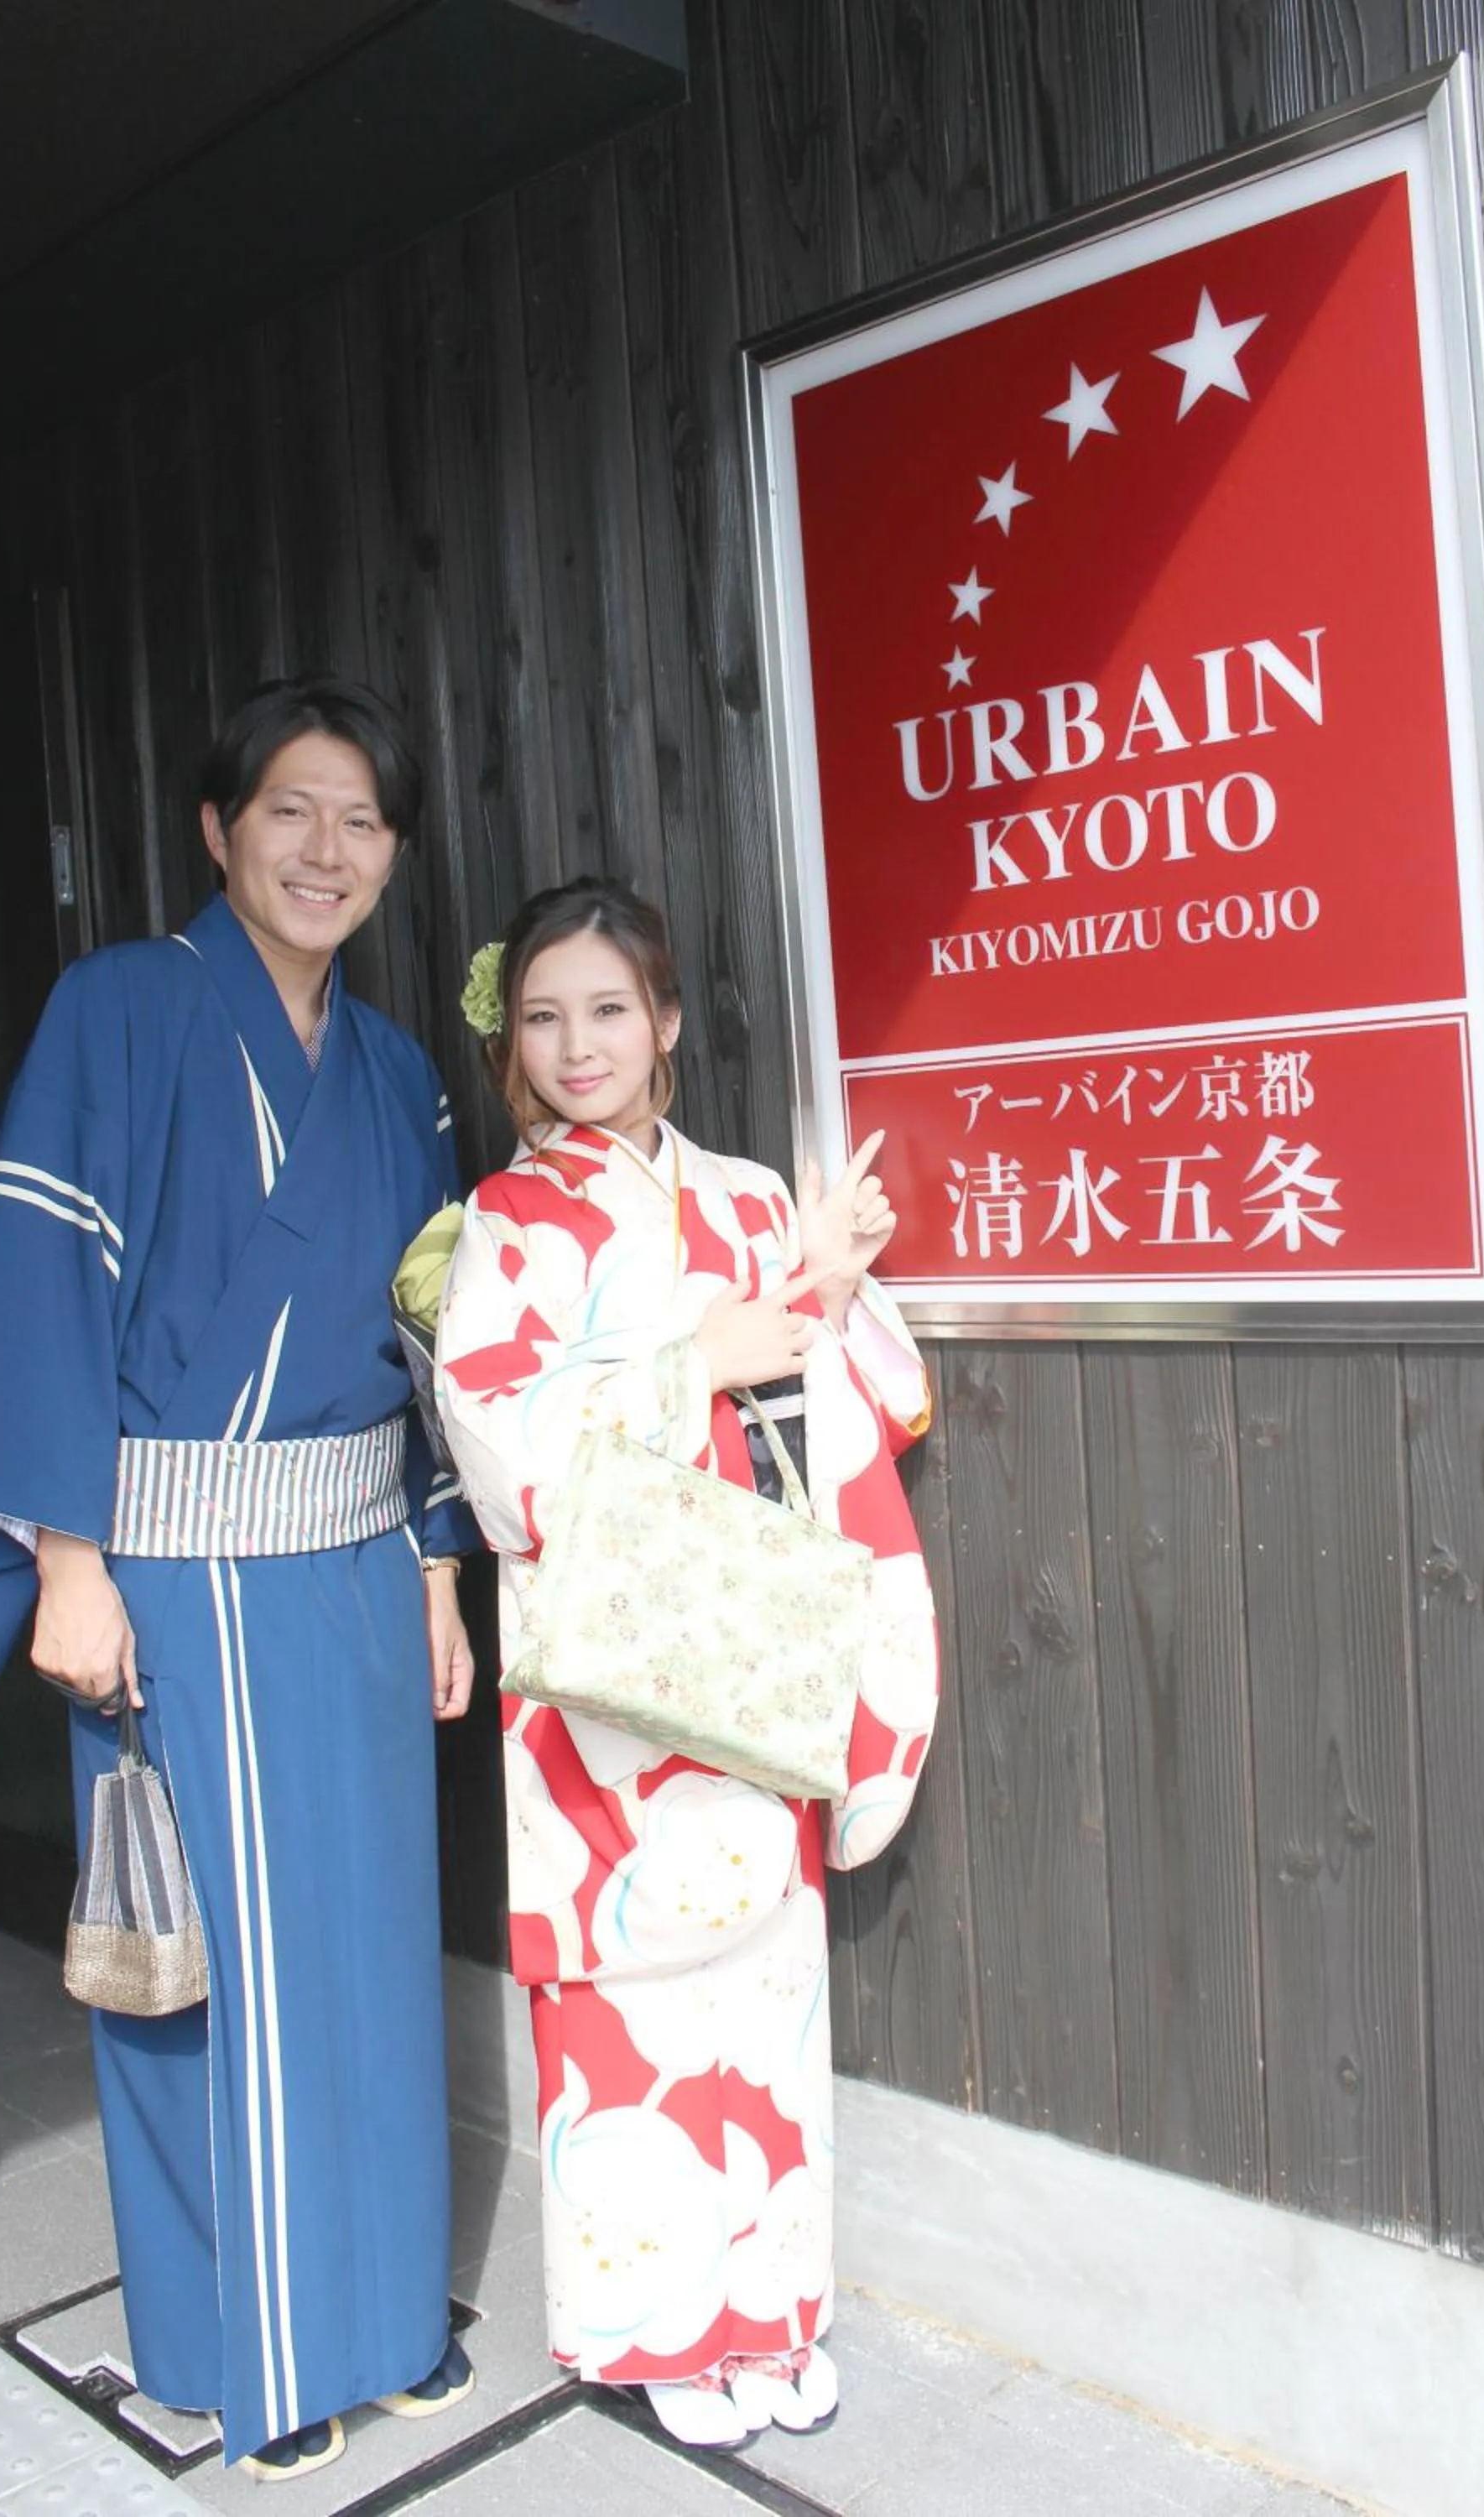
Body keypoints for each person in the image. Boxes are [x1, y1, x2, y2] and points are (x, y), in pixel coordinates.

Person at [0, 676, 482, 2478]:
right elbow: (38, 1294)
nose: (327, 851)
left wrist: (442, 1569)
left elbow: (432, 1340)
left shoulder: (394, 1074)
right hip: (173, 1572)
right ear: (219, 831)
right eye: (289, 812)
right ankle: (236, 2348)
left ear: (392, 855)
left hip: (356, 1567)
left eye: (361, 821)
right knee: (200, 1962)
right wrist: (63, 1558)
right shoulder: (124, 1010)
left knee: (368, 1956)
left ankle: (375, 2315)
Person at [433, 877, 939, 2452]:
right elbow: (500, 1457)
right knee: (627, 2011)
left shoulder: (738, 1200)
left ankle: (774, 2315)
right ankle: (655, 2335)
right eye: (543, 1016)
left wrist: (829, 1286)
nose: (577, 1044)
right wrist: (688, 1366)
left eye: (608, 1009)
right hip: (604, 1684)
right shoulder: (507, 1224)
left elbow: (873, 1406)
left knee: (765, 1999)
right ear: (512, 1043)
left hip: (749, 1655)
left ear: (663, 1021)